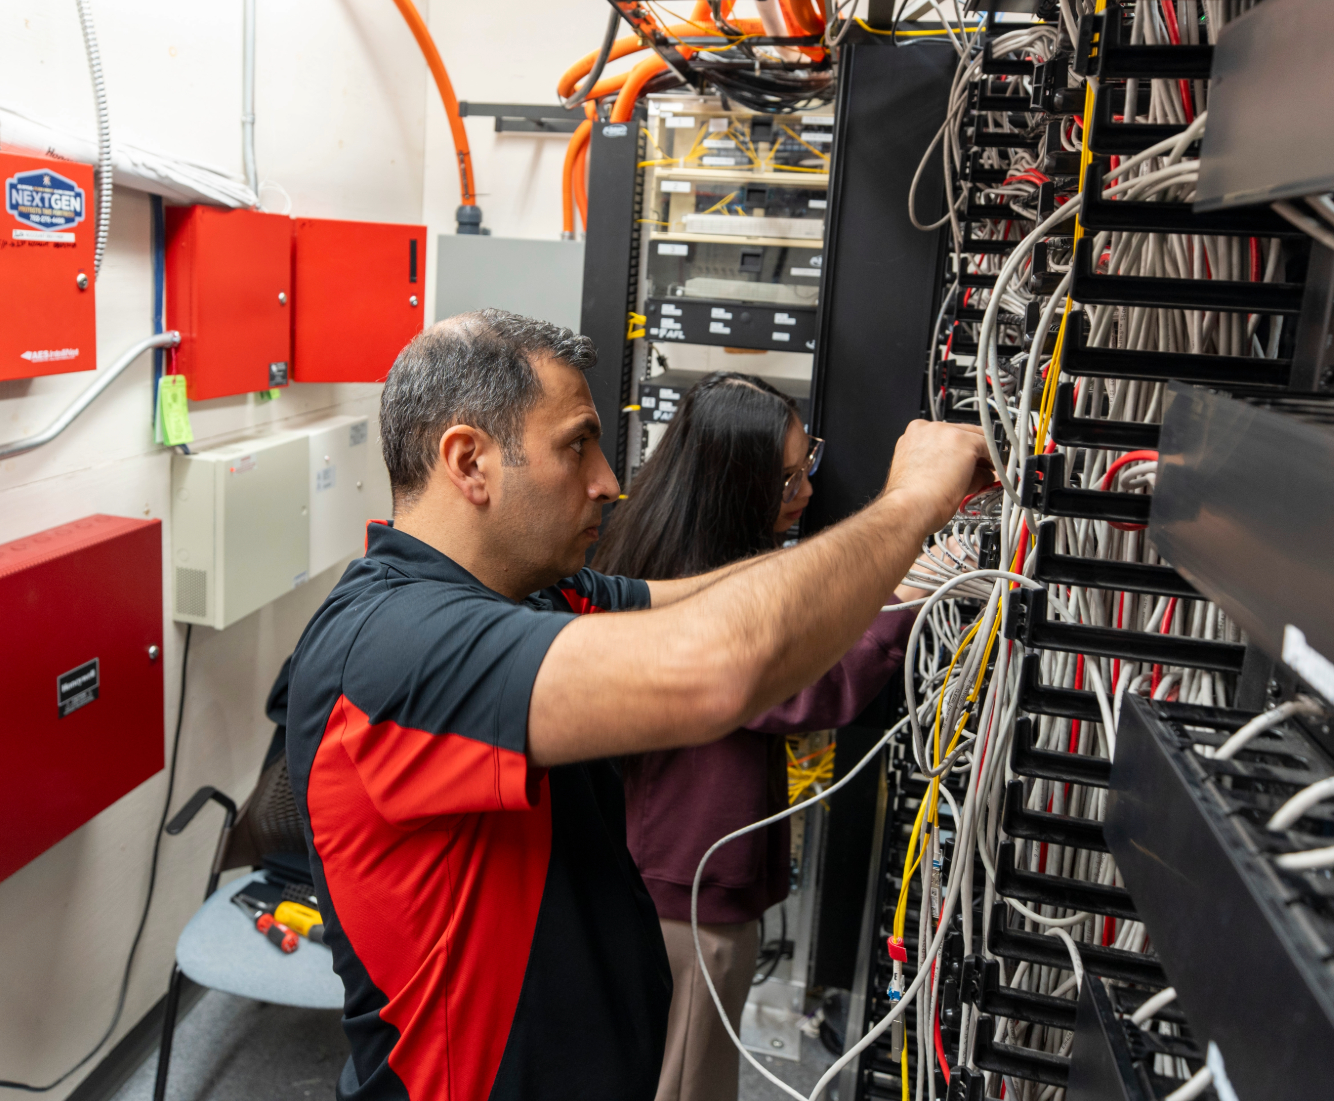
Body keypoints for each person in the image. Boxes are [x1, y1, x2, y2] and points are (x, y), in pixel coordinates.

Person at [281, 310, 990, 1101]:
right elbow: (719, 666)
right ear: (469, 461)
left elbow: (697, 599)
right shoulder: (397, 647)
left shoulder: (534, 593)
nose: (609, 481)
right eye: (576, 443)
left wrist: (916, 570)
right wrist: (910, 500)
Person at [594, 373, 921, 1101]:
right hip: (689, 886)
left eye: (808, 465)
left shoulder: (674, 552)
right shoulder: (696, 581)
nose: (803, 490)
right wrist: (906, 597)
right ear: (732, 486)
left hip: (686, 873)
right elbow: (805, 684)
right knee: (687, 1078)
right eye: (784, 481)